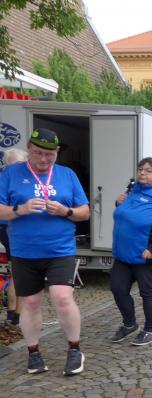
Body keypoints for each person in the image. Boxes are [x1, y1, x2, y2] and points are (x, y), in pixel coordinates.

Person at [0, 128, 91, 376]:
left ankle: (74, 349)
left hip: (60, 249)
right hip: (24, 251)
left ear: (57, 152)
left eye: (50, 155)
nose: (43, 159)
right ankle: (34, 352)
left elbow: (85, 211)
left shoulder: (67, 174)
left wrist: (66, 211)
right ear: (29, 148)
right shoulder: (10, 174)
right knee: (30, 302)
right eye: (38, 153)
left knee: (62, 297)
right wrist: (20, 209)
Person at [109, 157, 152, 346]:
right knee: (118, 289)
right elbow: (124, 214)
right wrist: (117, 203)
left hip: (146, 255)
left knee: (147, 293)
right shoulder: (131, 189)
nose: (142, 173)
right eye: (140, 169)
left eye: (148, 171)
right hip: (123, 254)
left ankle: (150, 330)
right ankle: (130, 324)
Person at [0, 148, 28, 325]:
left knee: (16, 270)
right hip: (13, 228)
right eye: (21, 163)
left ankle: (13, 313)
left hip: (7, 228)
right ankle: (18, 315)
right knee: (22, 271)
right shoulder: (14, 179)